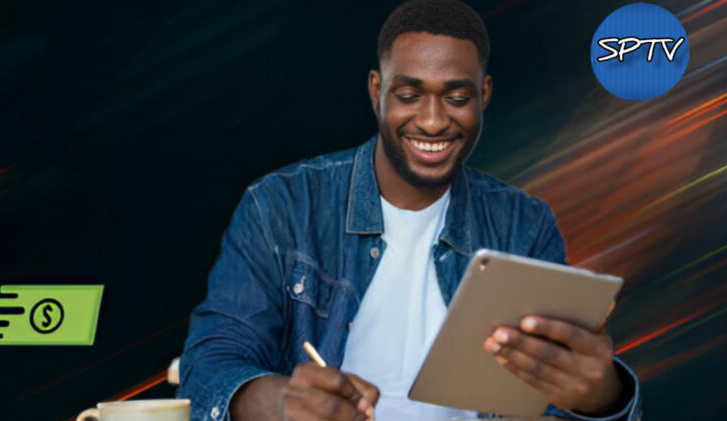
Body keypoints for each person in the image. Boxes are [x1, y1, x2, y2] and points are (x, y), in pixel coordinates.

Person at [177, 1, 642, 420]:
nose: (434, 120)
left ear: (485, 95)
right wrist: (279, 403)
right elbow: (210, 365)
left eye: (457, 97)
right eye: (409, 95)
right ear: (377, 90)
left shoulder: (525, 225)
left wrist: (602, 399)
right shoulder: (281, 205)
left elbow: (550, 404)